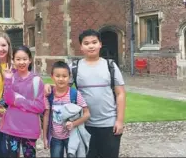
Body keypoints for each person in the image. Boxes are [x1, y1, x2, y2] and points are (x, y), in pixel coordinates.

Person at [69, 29, 126, 158]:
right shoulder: (74, 67)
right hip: (84, 124)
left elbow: (120, 94)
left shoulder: (110, 66)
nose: (91, 46)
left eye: (94, 42)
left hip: (109, 124)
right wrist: (48, 88)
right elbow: (62, 90)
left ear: (100, 44)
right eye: (86, 43)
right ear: (81, 47)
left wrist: (120, 121)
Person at [0, 45, 46, 158]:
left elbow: (40, 106)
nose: (21, 62)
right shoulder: (11, 78)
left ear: (30, 60)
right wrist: (8, 80)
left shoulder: (36, 80)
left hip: (29, 129)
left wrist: (19, 102)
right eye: (18, 59)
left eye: (24, 59)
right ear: (13, 60)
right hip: (12, 127)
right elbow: (8, 100)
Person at [44, 61, 90, 158]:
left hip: (72, 137)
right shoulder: (49, 95)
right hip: (55, 138)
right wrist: (45, 137)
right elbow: (46, 115)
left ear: (69, 77)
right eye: (57, 76)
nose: (61, 79)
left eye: (64, 76)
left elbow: (87, 114)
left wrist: (74, 124)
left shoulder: (74, 94)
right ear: (52, 76)